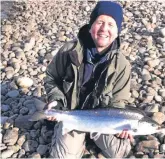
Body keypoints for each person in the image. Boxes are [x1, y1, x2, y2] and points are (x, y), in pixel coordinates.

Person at [44, 1, 133, 158]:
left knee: (119, 153)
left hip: (103, 118)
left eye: (111, 24)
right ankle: (69, 135)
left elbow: (118, 103)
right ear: (91, 26)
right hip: (72, 114)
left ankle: (92, 136)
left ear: (118, 31)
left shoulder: (122, 65)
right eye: (100, 22)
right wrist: (55, 100)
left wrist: (122, 129)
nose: (104, 29)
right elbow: (51, 77)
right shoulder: (68, 51)